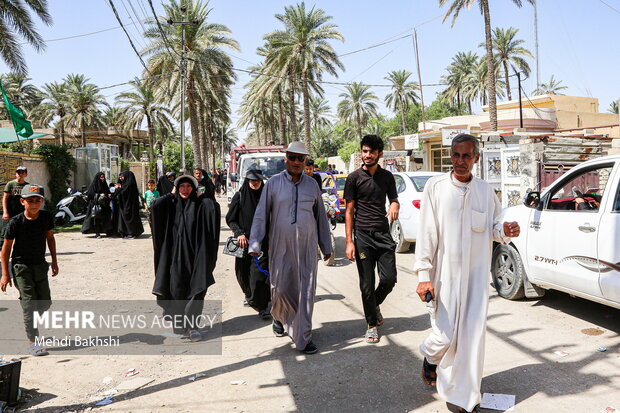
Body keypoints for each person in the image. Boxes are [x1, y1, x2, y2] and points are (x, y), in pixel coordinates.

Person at [414, 134, 520, 413]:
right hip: (443, 277)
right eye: (456, 155)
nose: (460, 161)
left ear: (476, 158)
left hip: (475, 280)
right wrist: (423, 274)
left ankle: (465, 397)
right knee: (445, 337)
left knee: (472, 339)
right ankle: (431, 358)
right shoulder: (435, 188)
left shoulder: (485, 191)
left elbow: (494, 226)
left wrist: (505, 231)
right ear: (450, 156)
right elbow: (427, 233)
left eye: (466, 156)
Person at [249, 141, 332, 355]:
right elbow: (261, 214)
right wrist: (255, 242)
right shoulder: (273, 184)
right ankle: (279, 315)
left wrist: (326, 245)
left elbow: (320, 216)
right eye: (292, 157)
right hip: (281, 246)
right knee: (282, 288)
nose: (296, 162)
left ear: (305, 162)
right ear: (285, 159)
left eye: (300, 158)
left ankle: (303, 337)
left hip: (307, 247)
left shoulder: (312, 184)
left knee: (306, 291)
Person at [150, 175, 220, 341]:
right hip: (175, 259)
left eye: (189, 186)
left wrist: (203, 196)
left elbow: (214, 209)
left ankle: (193, 326)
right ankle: (181, 325)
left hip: (197, 257)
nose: (185, 189)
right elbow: (154, 206)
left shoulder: (200, 205)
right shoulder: (171, 205)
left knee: (197, 290)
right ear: (177, 188)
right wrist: (170, 194)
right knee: (177, 290)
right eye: (182, 186)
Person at [344, 135, 399, 344]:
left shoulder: (387, 177)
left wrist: (395, 204)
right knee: (366, 284)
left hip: (383, 235)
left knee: (389, 279)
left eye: (371, 152)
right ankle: (371, 324)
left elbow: (394, 198)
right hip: (363, 236)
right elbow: (349, 211)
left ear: (379, 154)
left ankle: (374, 304)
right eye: (364, 151)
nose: (367, 155)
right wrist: (349, 241)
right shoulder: (354, 178)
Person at [0, 184, 58, 356]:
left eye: (37, 200)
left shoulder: (46, 217)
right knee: (30, 305)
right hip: (21, 268)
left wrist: (54, 261)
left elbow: (50, 238)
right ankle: (33, 342)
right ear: (22, 202)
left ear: (42, 201)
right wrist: (5, 274)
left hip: (40, 265)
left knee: (45, 303)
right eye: (30, 200)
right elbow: (5, 249)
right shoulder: (15, 222)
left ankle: (29, 319)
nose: (34, 204)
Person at [225, 169, 271, 319]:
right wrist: (239, 233)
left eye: (257, 180)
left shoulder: (267, 197)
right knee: (243, 272)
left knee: (259, 274)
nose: (255, 183)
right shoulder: (239, 196)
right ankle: (249, 295)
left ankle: (262, 306)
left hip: (262, 243)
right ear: (247, 181)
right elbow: (231, 219)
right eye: (252, 180)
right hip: (244, 242)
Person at [2, 166, 29, 248]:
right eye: (18, 172)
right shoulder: (10, 184)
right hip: (10, 213)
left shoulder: (28, 186)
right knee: (5, 233)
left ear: (26, 174)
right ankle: (2, 252)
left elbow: (29, 200)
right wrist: (5, 212)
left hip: (22, 213)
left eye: (22, 173)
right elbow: (5, 198)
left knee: (22, 233)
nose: (20, 174)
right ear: (16, 174)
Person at [81, 172, 113, 238]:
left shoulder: (104, 185)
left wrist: (108, 194)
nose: (103, 179)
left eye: (103, 177)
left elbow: (107, 192)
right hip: (95, 205)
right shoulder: (93, 185)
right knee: (96, 219)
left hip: (104, 205)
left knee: (105, 218)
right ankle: (97, 232)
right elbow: (90, 194)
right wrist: (99, 194)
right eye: (101, 177)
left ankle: (107, 231)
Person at [114, 171, 144, 239]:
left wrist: (119, 188)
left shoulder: (129, 184)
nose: (121, 178)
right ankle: (129, 232)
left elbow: (124, 192)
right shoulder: (125, 184)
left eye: (122, 176)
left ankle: (131, 233)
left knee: (130, 218)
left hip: (130, 206)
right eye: (120, 177)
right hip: (126, 205)